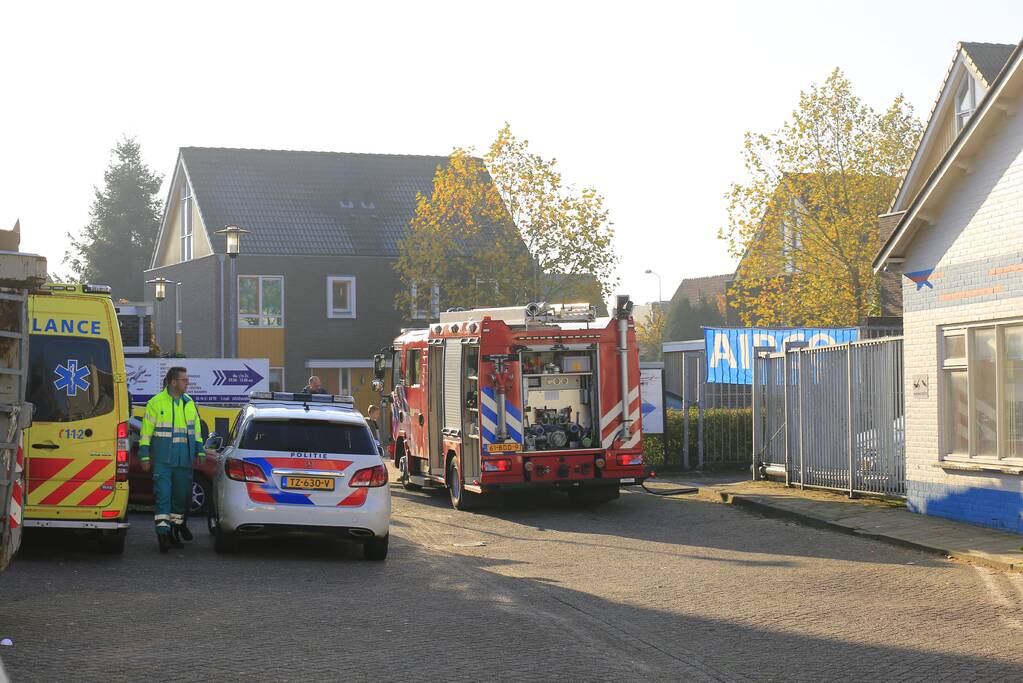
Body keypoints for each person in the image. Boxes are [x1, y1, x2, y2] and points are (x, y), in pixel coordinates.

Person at [138, 367, 207, 553]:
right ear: (173, 382)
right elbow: (145, 433)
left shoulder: (189, 402)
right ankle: (162, 534)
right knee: (163, 498)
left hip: (184, 461)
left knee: (181, 499)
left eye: (187, 379)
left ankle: (175, 529)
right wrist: (144, 455)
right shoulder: (156, 403)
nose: (187, 383)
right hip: (163, 461)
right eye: (184, 380)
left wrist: (200, 450)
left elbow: (196, 431)